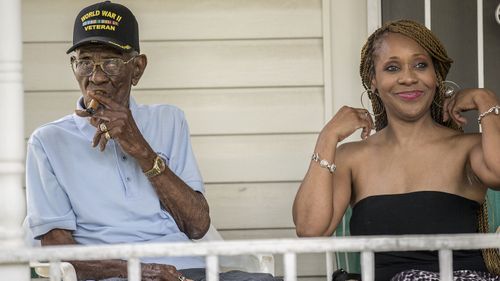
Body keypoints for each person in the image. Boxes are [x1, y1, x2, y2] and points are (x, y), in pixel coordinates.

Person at [25, 2, 278, 281]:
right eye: (84, 62)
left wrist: (141, 149)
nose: (96, 77)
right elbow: (57, 249)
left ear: (138, 68)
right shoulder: (48, 141)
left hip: (188, 271)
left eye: (110, 62)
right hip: (114, 276)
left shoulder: (169, 120)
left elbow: (197, 226)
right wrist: (137, 271)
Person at [292, 19, 500, 281]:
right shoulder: (352, 157)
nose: (408, 77)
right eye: (392, 68)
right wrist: (328, 137)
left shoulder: (468, 148)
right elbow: (310, 228)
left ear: (435, 76)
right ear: (374, 81)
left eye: (420, 65)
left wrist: (487, 101)